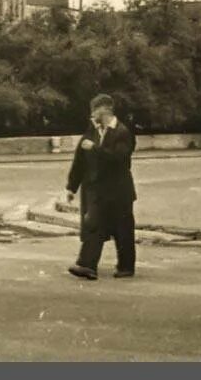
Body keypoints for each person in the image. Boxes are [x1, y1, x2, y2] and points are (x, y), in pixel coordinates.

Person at [65, 94, 137, 280]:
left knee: (123, 230)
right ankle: (87, 265)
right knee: (93, 225)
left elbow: (119, 159)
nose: (92, 115)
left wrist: (95, 149)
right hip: (99, 192)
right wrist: (71, 187)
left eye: (94, 111)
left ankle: (126, 267)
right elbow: (80, 161)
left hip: (120, 191)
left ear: (105, 110)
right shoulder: (92, 132)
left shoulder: (122, 132)